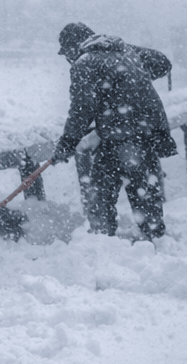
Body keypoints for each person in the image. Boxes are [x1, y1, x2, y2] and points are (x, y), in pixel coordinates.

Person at [50, 21, 178, 241]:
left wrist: (67, 144)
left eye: (67, 54)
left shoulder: (85, 62)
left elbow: (81, 109)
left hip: (121, 134)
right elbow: (162, 63)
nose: (68, 59)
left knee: (101, 191)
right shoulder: (124, 51)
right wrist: (127, 84)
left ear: (74, 47)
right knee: (144, 190)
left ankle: (104, 240)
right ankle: (155, 239)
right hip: (148, 131)